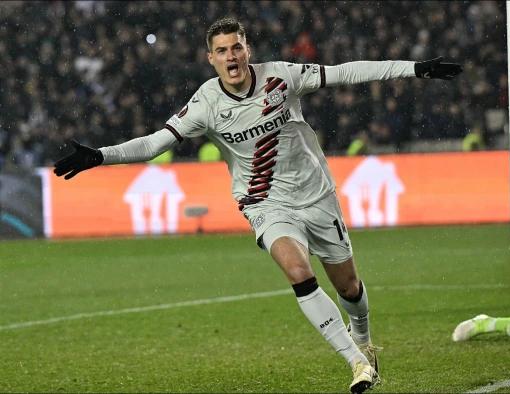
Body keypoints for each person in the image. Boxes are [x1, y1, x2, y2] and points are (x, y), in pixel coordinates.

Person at [53, 17, 463, 393]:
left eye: (237, 47)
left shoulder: (281, 77)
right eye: (222, 50)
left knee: (349, 288)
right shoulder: (205, 104)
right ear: (210, 58)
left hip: (317, 195)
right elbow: (151, 144)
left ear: (247, 50)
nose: (231, 56)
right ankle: (356, 363)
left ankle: (363, 339)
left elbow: (346, 73)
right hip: (265, 203)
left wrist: (415, 68)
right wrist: (99, 156)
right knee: (299, 271)